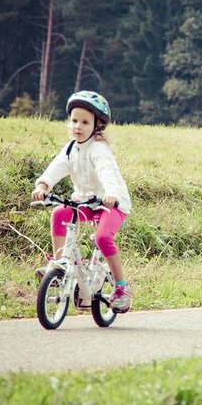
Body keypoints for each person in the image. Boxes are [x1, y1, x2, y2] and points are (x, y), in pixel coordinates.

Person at [32, 91, 134, 313]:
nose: (78, 126)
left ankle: (121, 287)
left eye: (85, 122)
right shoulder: (70, 148)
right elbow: (57, 166)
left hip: (112, 204)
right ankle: (61, 266)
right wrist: (43, 186)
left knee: (102, 238)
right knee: (59, 213)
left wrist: (111, 194)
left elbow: (107, 172)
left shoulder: (99, 149)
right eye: (74, 120)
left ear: (96, 126)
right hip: (86, 202)